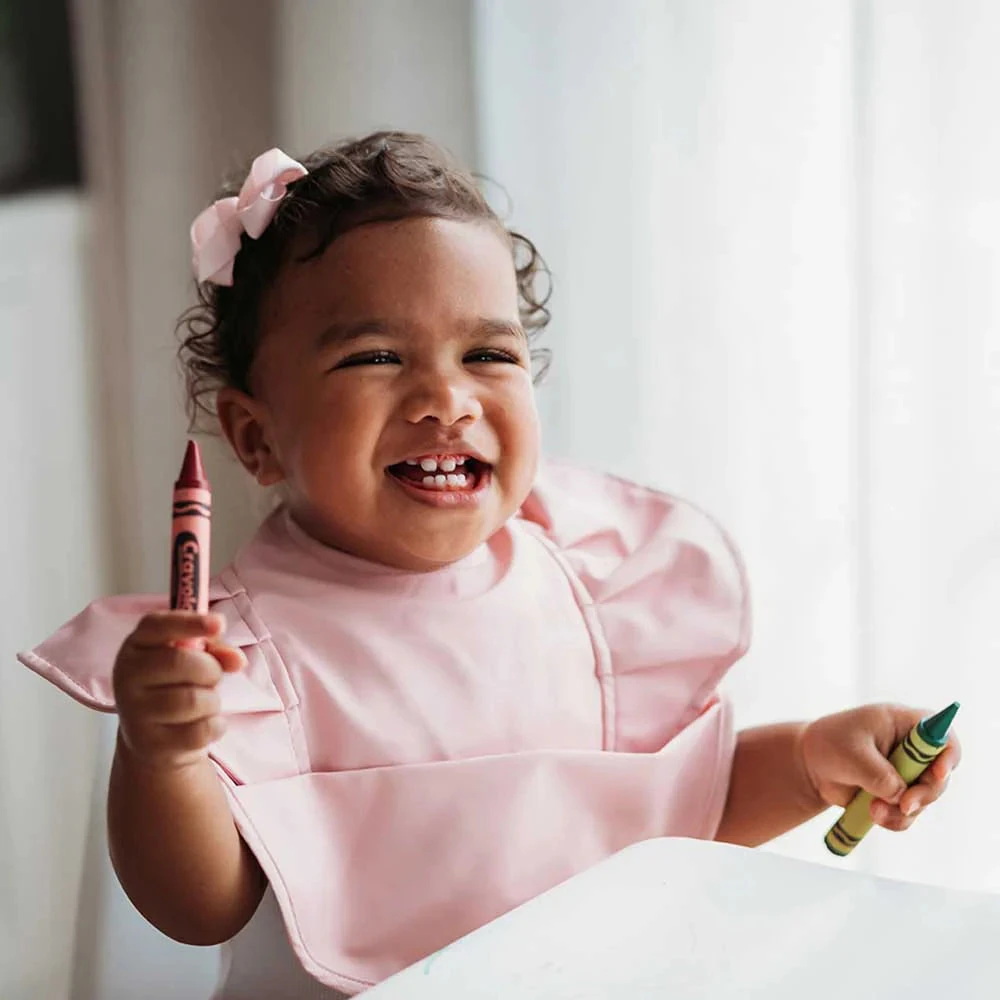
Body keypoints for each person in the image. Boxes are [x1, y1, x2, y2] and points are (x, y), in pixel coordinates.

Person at [18, 132, 959, 998]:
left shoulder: (588, 588)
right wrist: (164, 756)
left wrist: (808, 762)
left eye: (487, 353)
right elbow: (197, 908)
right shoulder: (243, 656)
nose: (446, 398)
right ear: (256, 437)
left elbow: (668, 819)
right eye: (376, 356)